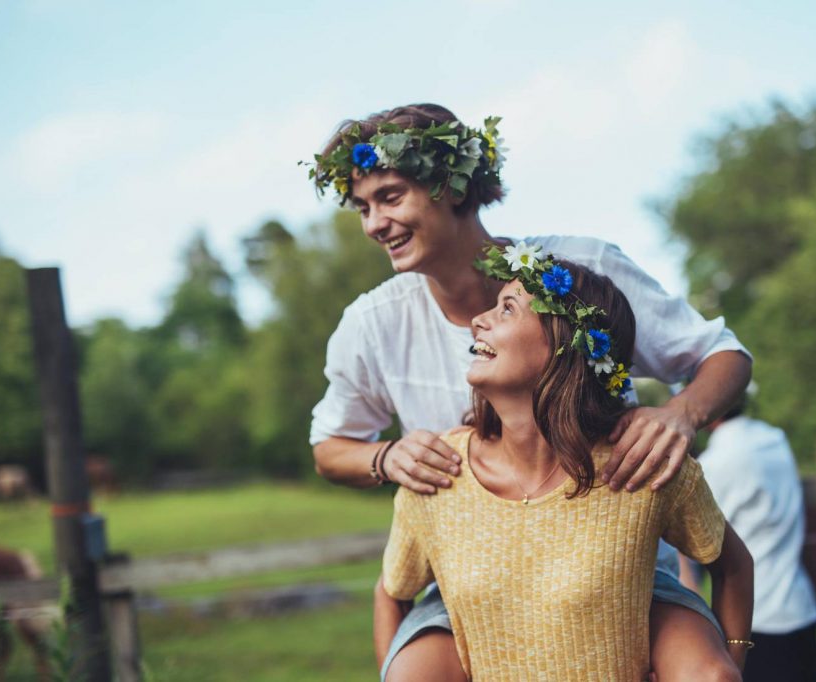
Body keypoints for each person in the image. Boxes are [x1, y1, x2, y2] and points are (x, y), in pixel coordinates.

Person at [307, 103, 754, 678]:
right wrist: (385, 455)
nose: (372, 224)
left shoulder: (581, 271)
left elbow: (724, 354)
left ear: (452, 185)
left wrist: (682, 412)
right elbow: (328, 448)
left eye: (390, 197)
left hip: (620, 569)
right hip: (472, 584)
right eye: (362, 208)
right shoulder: (371, 325)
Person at [375, 255, 754, 681]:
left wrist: (732, 657)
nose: (478, 320)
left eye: (507, 308)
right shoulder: (438, 472)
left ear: (563, 344)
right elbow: (392, 593)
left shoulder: (642, 463)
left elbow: (734, 566)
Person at [679, 399, 816, 682]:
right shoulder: (776, 440)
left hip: (752, 619)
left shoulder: (714, 465)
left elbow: (688, 545)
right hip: (800, 605)